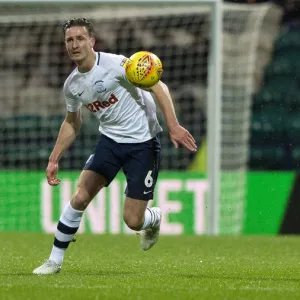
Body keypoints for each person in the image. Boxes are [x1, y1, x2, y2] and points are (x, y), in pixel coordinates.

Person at [33, 18, 197, 275]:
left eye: (79, 39)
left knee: (133, 221)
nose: (74, 44)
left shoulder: (117, 64)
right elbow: (72, 122)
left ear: (92, 42)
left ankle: (153, 219)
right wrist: (54, 158)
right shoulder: (72, 85)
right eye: (69, 40)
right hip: (109, 142)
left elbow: (158, 86)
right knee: (80, 197)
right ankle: (54, 261)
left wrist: (173, 125)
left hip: (143, 145)